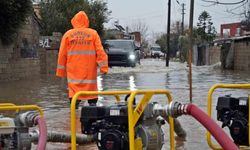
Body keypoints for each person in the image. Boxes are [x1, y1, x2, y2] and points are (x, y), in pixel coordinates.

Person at [56, 11, 108, 108]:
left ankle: (73, 121)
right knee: (92, 107)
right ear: (86, 21)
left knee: (73, 108)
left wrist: (61, 72)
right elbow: (100, 53)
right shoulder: (93, 34)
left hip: (73, 78)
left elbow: (62, 54)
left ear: (74, 21)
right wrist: (104, 68)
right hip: (90, 79)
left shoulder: (68, 35)